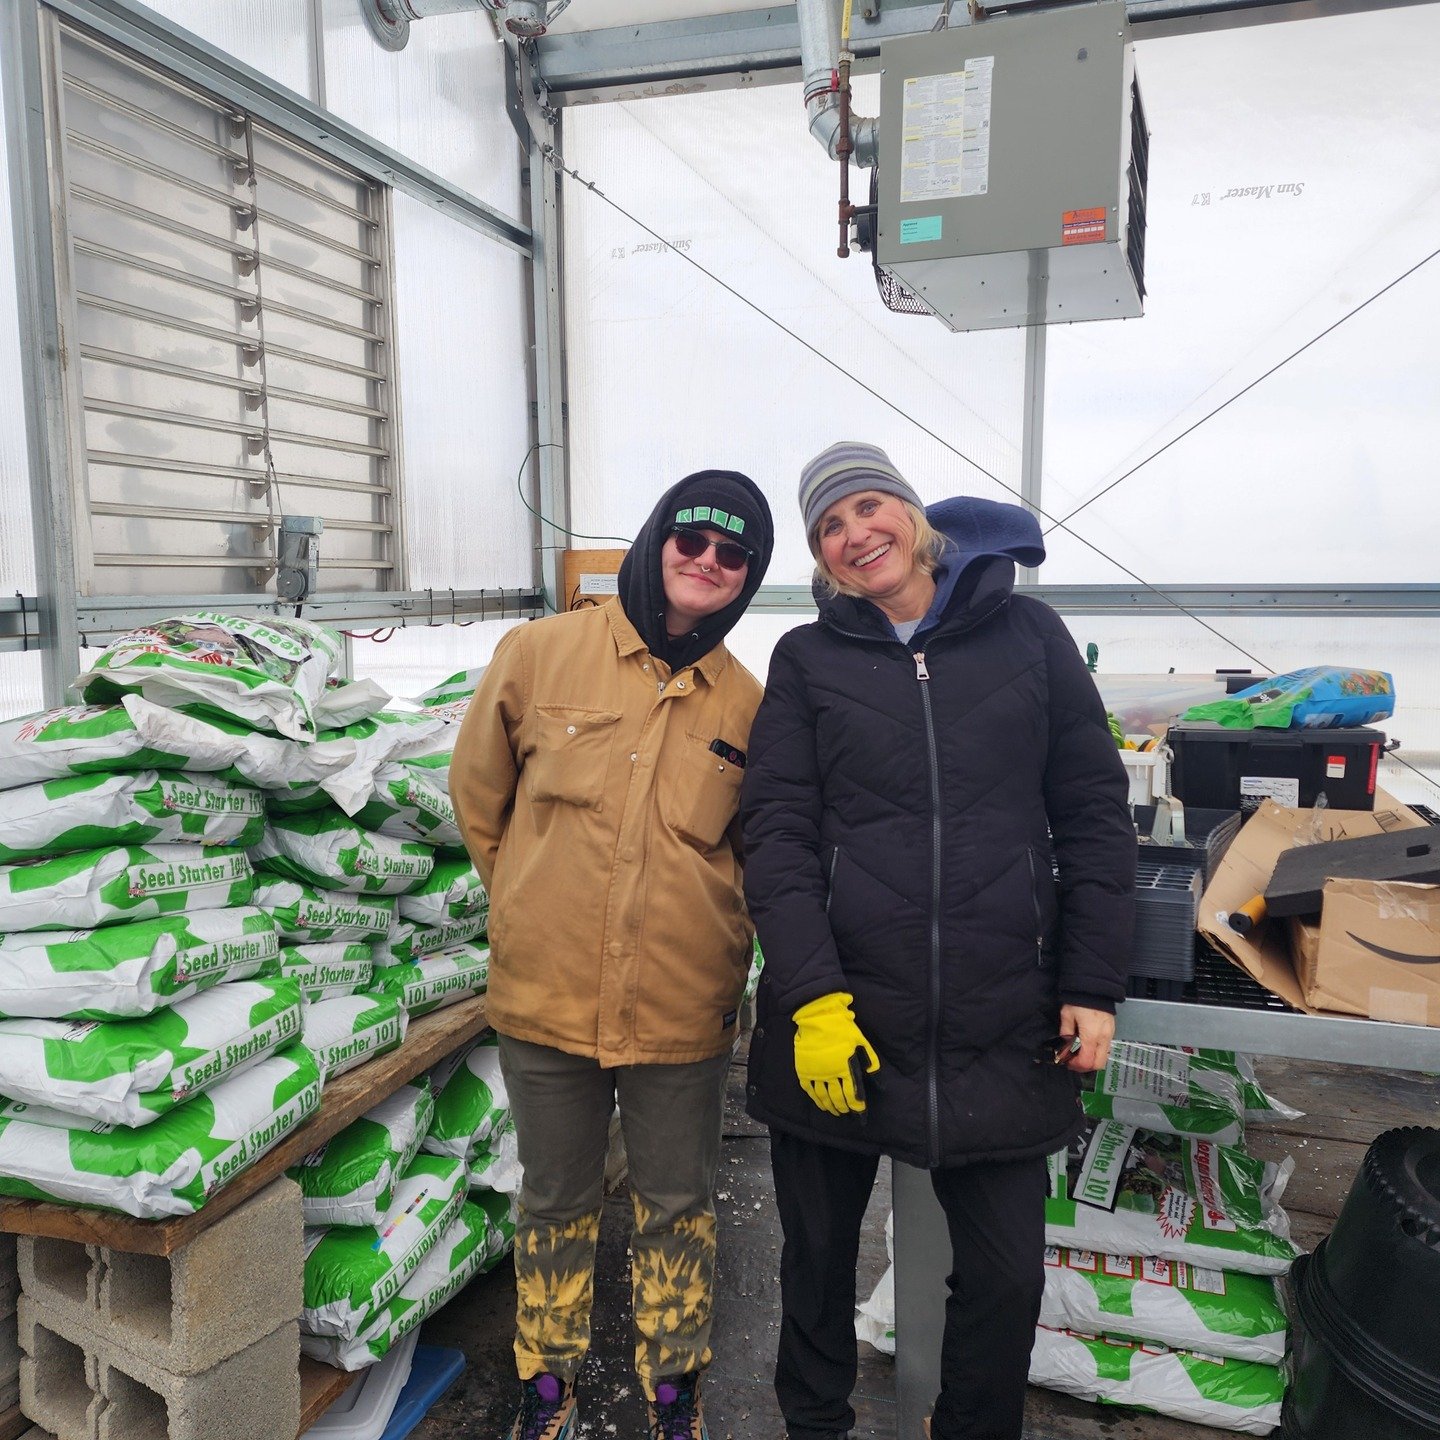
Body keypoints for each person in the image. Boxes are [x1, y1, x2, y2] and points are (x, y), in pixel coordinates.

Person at [740, 441, 1135, 1440]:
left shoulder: (1029, 635)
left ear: (915, 518)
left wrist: (1093, 981)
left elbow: (1093, 811)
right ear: (821, 560)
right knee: (817, 1265)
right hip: (843, 1015)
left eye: (869, 506)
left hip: (997, 1013)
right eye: (829, 525)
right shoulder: (808, 659)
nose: (854, 533)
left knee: (1004, 1278)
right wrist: (813, 1000)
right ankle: (816, 1427)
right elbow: (776, 835)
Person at [451, 471, 774, 1440]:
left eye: (733, 554)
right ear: (654, 539)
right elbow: (480, 797)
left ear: (748, 576)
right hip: (545, 999)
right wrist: (527, 900)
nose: (708, 562)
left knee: (678, 1203)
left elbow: (759, 853)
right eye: (693, 540)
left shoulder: (748, 703)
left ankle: (673, 1386)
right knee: (556, 1197)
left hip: (682, 1007)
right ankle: (546, 1379)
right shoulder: (542, 653)